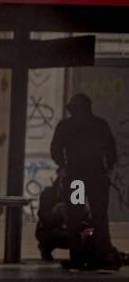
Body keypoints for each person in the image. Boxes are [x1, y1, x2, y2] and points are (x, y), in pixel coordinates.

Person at [50, 93, 119, 271]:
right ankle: (102, 256)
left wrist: (63, 165)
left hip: (76, 177)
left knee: (75, 217)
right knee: (99, 217)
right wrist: (108, 168)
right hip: (96, 177)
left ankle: (77, 258)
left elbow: (55, 149)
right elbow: (111, 149)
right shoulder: (99, 124)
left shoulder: (65, 126)